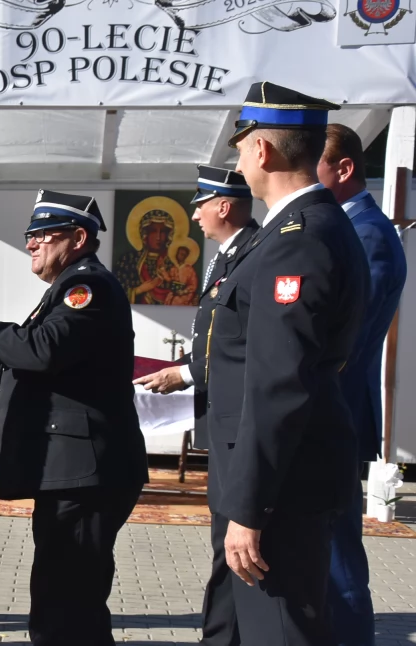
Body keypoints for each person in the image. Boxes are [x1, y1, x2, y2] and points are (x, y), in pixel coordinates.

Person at [0, 190, 148, 645]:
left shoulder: (86, 288)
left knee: (67, 606)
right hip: (74, 472)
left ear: (77, 237)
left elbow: (41, 351)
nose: (31, 243)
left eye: (42, 234)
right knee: (66, 601)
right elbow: (34, 369)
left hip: (85, 475)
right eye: (29, 235)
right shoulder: (64, 289)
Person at [200, 81, 369, 645]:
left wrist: (250, 509)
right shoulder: (299, 230)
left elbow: (279, 383)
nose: (240, 158)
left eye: (242, 145)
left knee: (278, 633)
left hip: (277, 490)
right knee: (233, 628)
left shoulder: (298, 239)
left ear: (263, 152)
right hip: (263, 477)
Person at [317, 123, 407, 646]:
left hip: (339, 411)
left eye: (316, 168)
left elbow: (346, 334)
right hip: (336, 409)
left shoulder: (366, 232)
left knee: (338, 551)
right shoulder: (357, 226)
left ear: (344, 169)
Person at [134, 165, 258, 452]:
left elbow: (251, 341)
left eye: (201, 206)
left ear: (224, 207)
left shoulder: (255, 255)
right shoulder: (229, 255)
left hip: (239, 408)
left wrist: (187, 374)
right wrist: (181, 365)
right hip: (218, 404)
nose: (195, 215)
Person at [115, 208, 177, 304]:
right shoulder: (129, 260)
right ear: (144, 234)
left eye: (163, 232)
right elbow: (115, 293)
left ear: (169, 235)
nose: (158, 237)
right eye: (153, 231)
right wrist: (138, 290)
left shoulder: (172, 263)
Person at [164, 239, 199, 305]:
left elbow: (193, 285)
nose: (180, 256)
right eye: (179, 253)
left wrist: (183, 291)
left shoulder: (190, 270)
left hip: (184, 297)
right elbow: (170, 281)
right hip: (172, 295)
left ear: (185, 256)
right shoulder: (173, 268)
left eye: (182, 254)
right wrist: (165, 275)